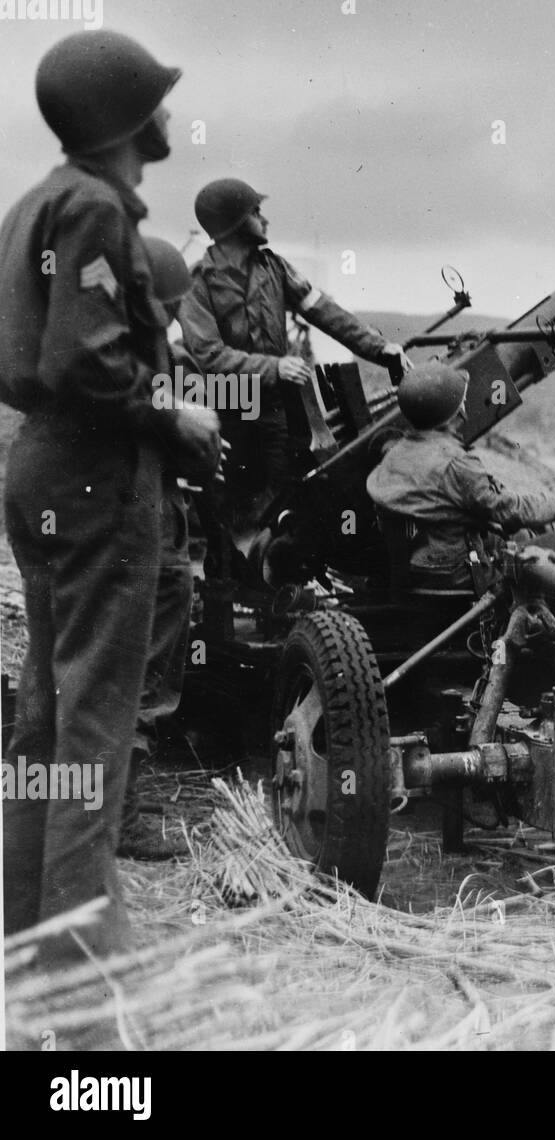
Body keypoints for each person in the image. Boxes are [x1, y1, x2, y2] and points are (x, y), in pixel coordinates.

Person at [0, 32, 221, 958]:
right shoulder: (93, 209)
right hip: (99, 476)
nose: (170, 114)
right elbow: (83, 359)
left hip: (43, 468)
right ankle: (81, 967)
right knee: (94, 727)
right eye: (157, 100)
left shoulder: (35, 205)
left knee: (45, 719)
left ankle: (26, 933)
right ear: (125, 118)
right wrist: (176, 422)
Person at [179, 177, 410, 538]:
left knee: (288, 493)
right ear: (235, 223)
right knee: (231, 504)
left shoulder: (274, 268)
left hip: (275, 407)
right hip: (228, 407)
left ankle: (281, 578)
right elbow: (208, 354)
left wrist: (381, 349)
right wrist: (274, 366)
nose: (264, 219)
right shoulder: (197, 282)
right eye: (256, 212)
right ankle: (231, 584)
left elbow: (325, 312)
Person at [117, 236, 213, 861]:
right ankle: (122, 820)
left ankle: (106, 804)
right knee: (147, 675)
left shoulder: (102, 353)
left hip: (117, 520)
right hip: (147, 528)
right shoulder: (141, 366)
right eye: (174, 305)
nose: (180, 319)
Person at [366, 362, 555, 589]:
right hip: (462, 572)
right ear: (456, 415)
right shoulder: (456, 464)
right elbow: (512, 511)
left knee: (523, 535)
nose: (464, 407)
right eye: (462, 402)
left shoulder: (393, 454)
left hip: (418, 568)